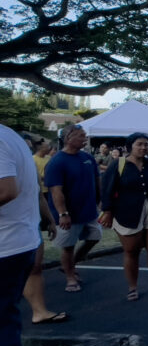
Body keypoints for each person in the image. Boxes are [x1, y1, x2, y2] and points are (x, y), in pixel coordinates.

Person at [0, 123, 47, 346]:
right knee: (5, 322)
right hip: (18, 242)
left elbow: (6, 189)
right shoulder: (10, 135)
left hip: (6, 245)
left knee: (2, 324)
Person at [98, 133, 148, 301]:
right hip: (127, 211)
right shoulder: (118, 164)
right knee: (131, 251)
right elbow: (106, 189)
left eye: (146, 144)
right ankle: (132, 287)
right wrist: (107, 211)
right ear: (130, 146)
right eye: (139, 144)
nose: (144, 147)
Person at [44, 123, 102, 292]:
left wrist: (101, 200)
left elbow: (96, 180)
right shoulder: (57, 162)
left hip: (89, 210)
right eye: (81, 136)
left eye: (85, 135)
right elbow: (56, 191)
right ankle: (70, 277)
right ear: (68, 138)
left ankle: (70, 265)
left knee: (94, 237)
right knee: (68, 246)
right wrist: (63, 213)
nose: (85, 139)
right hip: (69, 213)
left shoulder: (87, 158)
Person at [18, 133, 62, 326]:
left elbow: (39, 196)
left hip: (29, 223)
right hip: (10, 227)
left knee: (35, 267)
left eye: (28, 146)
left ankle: (40, 311)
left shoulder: (29, 166)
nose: (26, 149)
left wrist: (51, 220)